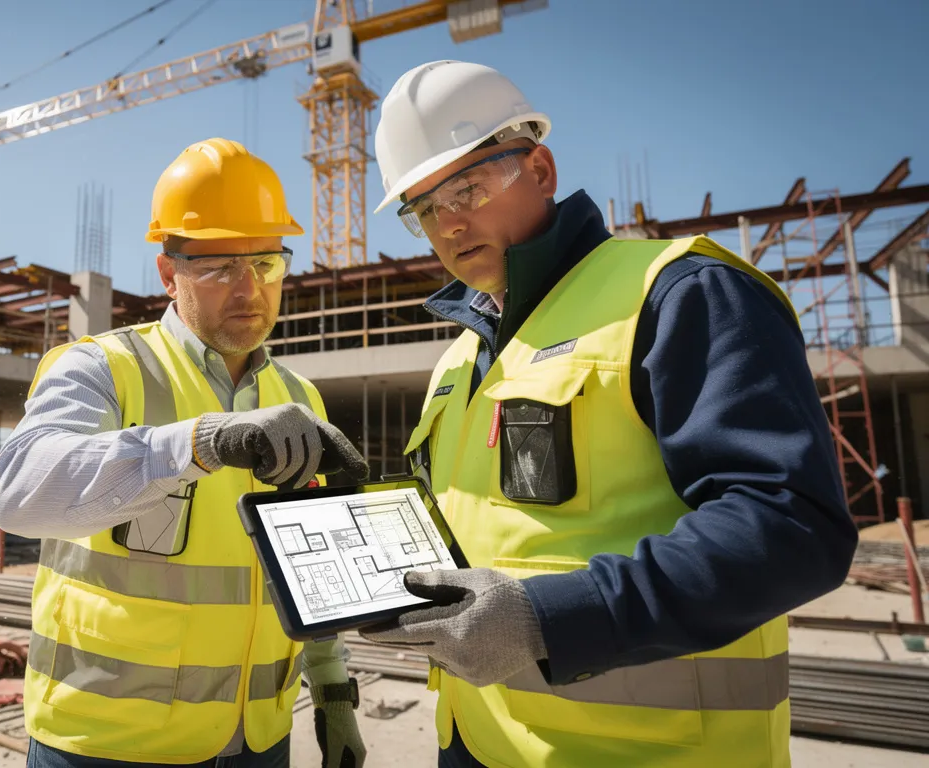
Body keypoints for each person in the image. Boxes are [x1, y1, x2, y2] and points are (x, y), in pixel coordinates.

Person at [357, 60, 856, 768]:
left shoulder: (680, 293)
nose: (449, 223)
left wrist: (550, 619)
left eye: (466, 186)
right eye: (423, 208)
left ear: (541, 168)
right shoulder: (458, 360)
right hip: (475, 743)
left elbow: (790, 526)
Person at [0, 137, 370, 768]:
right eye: (221, 267)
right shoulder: (103, 368)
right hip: (108, 744)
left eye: (267, 264)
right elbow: (20, 495)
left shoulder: (299, 397)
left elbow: (312, 572)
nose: (249, 289)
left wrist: (332, 693)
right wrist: (204, 441)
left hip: (258, 739)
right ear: (169, 274)